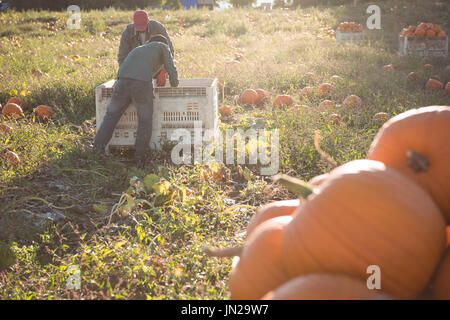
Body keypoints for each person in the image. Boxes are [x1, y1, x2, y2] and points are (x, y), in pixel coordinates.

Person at [93, 35, 179, 168]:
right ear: (164, 43)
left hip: (121, 82)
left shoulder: (139, 49)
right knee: (145, 119)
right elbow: (170, 66)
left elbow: (141, 67)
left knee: (111, 116)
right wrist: (174, 84)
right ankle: (140, 157)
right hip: (140, 84)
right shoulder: (162, 46)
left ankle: (96, 152)